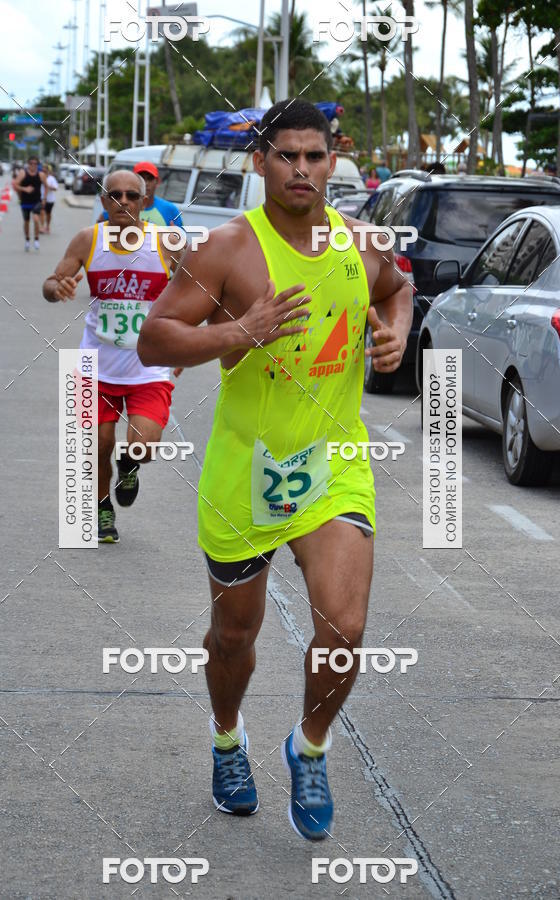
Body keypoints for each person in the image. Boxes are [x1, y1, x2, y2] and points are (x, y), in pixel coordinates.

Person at [137, 100, 412, 840]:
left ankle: (310, 747)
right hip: (242, 470)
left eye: (314, 156)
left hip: (333, 463)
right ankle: (228, 739)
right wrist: (240, 329)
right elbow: (155, 340)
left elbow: (397, 289)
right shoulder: (227, 249)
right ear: (260, 162)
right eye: (285, 155)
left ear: (334, 161)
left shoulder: (363, 242)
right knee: (235, 635)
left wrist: (394, 334)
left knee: (345, 626)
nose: (301, 169)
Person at [43, 169, 182, 543]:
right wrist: (59, 287)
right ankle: (104, 509)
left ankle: (129, 464)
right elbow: (50, 284)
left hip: (148, 367)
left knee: (144, 445)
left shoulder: (166, 242)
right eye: (114, 195)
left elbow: (198, 292)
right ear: (104, 201)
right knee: (98, 443)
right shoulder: (89, 240)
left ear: (144, 200)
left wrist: (184, 344)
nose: (123, 201)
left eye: (131, 196)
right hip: (95, 365)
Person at [98, 161, 183, 228]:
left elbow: (182, 243)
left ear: (157, 181)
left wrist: (175, 241)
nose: (145, 183)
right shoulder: (113, 210)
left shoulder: (170, 210)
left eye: (150, 179)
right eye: (141, 178)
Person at [12, 155, 48, 251]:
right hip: (25, 201)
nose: (33, 165)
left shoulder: (41, 175)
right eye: (31, 163)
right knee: (26, 221)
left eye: (35, 164)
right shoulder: (23, 173)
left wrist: (44, 198)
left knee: (36, 219)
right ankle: (27, 240)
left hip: (36, 201)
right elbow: (15, 185)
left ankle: (36, 239)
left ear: (37, 165)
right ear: (28, 164)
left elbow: (46, 186)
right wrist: (25, 189)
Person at [41, 164, 58, 233]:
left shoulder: (52, 179)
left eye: (45, 170)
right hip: (41, 199)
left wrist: (49, 186)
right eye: (43, 170)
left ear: (48, 171)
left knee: (48, 214)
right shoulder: (40, 177)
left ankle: (47, 225)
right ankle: (42, 227)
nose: (44, 172)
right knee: (42, 212)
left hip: (50, 200)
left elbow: (55, 188)